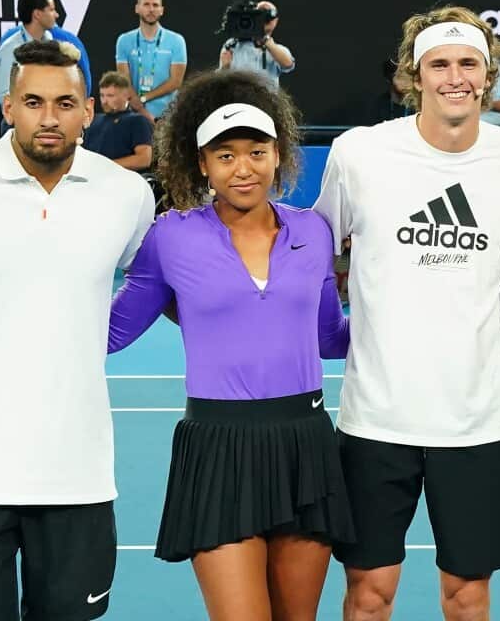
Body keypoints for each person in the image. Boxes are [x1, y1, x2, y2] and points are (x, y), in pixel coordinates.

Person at [0, 40, 154, 621]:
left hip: (78, 474)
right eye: (33, 101)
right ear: (8, 106)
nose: (49, 117)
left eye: (65, 103)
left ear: (88, 111)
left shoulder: (128, 195)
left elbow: (157, 282)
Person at [314, 6, 500, 620]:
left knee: (467, 598)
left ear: (488, 73)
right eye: (439, 64)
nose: (455, 77)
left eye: (468, 63)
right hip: (375, 420)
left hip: (477, 421)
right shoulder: (358, 153)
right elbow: (313, 255)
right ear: (414, 75)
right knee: (369, 595)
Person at [107, 69, 354, 620]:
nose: (243, 168)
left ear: (278, 154)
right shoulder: (170, 235)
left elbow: (329, 338)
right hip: (219, 447)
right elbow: (113, 331)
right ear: (201, 164)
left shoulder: (312, 231)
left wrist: (414, 318)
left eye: (256, 151)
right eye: (224, 155)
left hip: (305, 443)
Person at [116, 0, 187, 122]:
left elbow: (176, 81)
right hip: (134, 114)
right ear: (137, 8)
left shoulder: (176, 40)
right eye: (146, 4)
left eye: (155, 5)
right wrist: (142, 111)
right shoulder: (124, 40)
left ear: (162, 10)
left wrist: (144, 98)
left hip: (168, 116)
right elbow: (124, 80)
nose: (151, 9)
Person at [84, 71, 154, 171]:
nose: (104, 101)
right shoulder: (94, 120)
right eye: (102, 95)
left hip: (121, 181)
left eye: (110, 96)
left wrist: (104, 167)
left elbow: (144, 159)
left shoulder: (137, 121)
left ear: (126, 96)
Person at [218, 0, 295, 89]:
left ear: (275, 21)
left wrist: (267, 42)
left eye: (267, 16)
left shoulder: (277, 50)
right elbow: (221, 78)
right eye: (260, 14)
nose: (264, 19)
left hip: (266, 99)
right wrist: (224, 67)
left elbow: (288, 64)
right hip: (239, 98)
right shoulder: (233, 45)